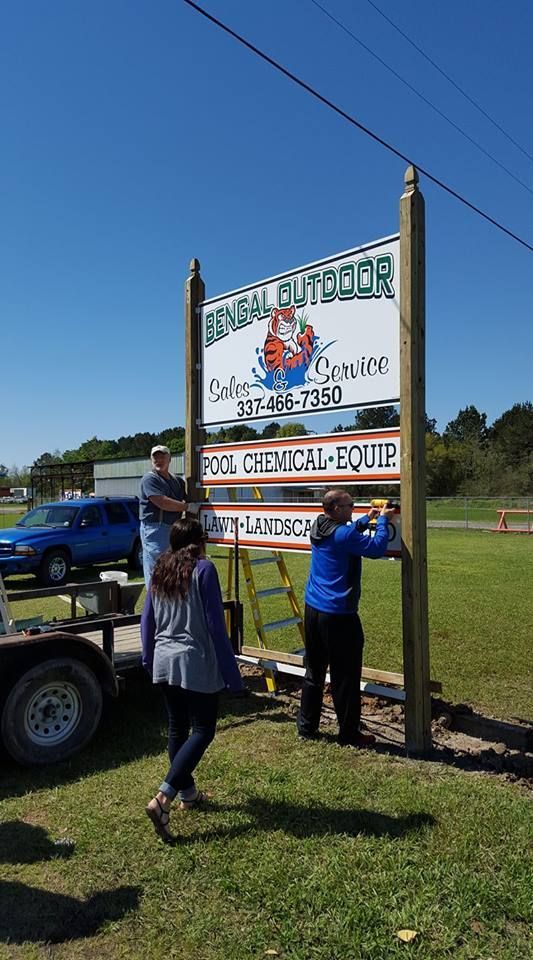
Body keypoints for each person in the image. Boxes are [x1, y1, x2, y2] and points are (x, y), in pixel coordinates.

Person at [141, 518, 243, 844]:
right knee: (203, 730)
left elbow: (147, 619)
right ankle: (163, 798)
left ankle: (188, 793)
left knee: (176, 728)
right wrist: (233, 675)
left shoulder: (160, 567)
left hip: (163, 659)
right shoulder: (204, 569)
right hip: (193, 662)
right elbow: (216, 626)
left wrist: (147, 658)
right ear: (199, 541)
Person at [297, 489, 397, 748]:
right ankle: (349, 734)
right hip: (338, 614)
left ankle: (306, 727)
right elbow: (376, 549)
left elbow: (345, 533)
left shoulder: (320, 524)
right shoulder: (344, 534)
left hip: (313, 608)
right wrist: (383, 520)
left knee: (314, 671)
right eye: (350, 505)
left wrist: (365, 520)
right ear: (337, 509)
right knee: (346, 677)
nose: (353, 509)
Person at [139, 445, 188, 586]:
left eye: (162, 456)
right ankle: (154, 605)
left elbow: (189, 495)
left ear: (170, 459)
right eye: (155, 457)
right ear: (151, 460)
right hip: (155, 530)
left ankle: (168, 604)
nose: (158, 460)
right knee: (157, 570)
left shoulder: (177, 481)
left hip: (174, 530)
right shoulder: (149, 479)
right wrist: (187, 507)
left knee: (172, 568)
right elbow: (161, 502)